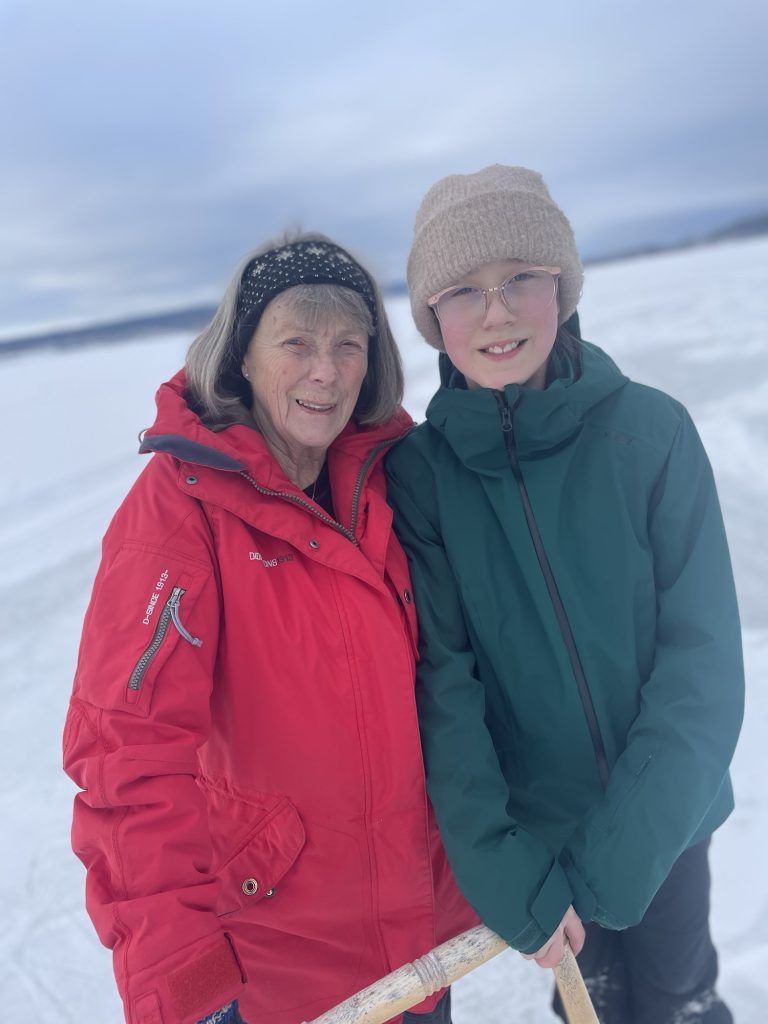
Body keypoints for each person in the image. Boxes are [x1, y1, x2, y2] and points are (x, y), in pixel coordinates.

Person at [63, 233, 476, 1024]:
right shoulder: (180, 511)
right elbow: (128, 760)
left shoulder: (397, 480)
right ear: (242, 358)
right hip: (275, 969)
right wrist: (184, 981)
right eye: (296, 343)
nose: (326, 371)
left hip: (418, 944)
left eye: (349, 345)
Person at [385, 166, 744, 1023]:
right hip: (545, 847)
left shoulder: (650, 432)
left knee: (680, 993)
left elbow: (703, 663)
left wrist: (622, 858)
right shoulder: (422, 480)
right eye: (464, 290)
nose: (497, 312)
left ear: (563, 286)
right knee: (593, 1006)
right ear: (432, 318)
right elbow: (445, 687)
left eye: (522, 277)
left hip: (669, 818)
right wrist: (504, 867)